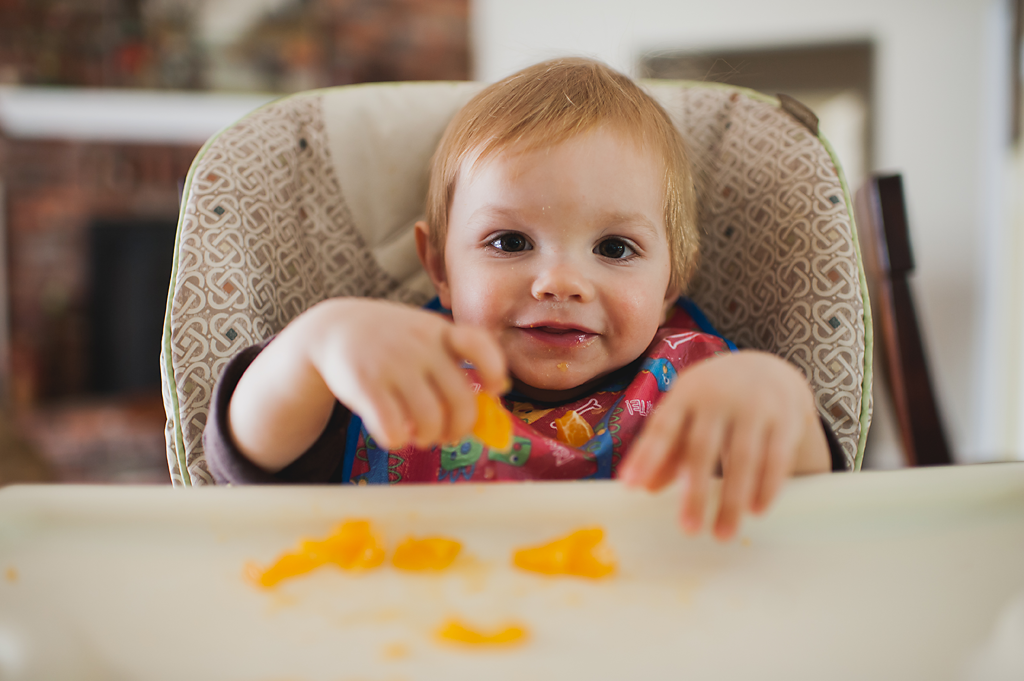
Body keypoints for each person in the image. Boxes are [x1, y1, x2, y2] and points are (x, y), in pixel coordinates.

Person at [205, 57, 843, 542]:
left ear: (672, 279)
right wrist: (318, 345)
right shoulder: (393, 373)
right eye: (510, 241)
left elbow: (819, 521)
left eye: (616, 248)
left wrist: (777, 397)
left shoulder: (703, 384)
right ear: (439, 267)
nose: (559, 282)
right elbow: (251, 457)